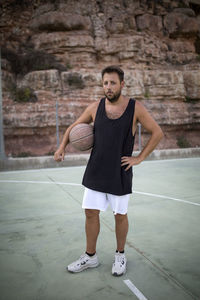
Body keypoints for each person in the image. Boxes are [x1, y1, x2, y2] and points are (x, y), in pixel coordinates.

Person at [54, 65, 163, 276]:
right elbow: (72, 128)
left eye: (113, 82)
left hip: (119, 171)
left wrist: (139, 158)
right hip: (96, 169)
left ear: (122, 84)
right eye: (105, 83)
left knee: (120, 215)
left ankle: (120, 255)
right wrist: (61, 147)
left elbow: (157, 132)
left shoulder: (135, 108)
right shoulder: (95, 108)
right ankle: (90, 256)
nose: (109, 87)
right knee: (90, 213)